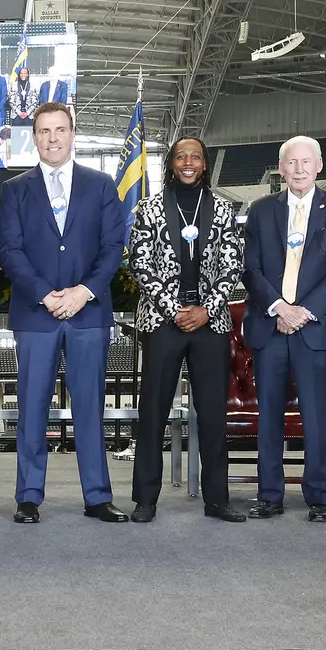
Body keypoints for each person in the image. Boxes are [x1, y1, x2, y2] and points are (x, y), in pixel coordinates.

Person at [0, 103, 129, 524]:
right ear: (34, 138)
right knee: (32, 406)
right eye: (44, 131)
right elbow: (9, 251)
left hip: (88, 314)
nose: (52, 139)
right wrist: (45, 295)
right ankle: (28, 496)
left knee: (89, 407)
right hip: (36, 315)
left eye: (59, 130)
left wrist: (83, 292)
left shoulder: (101, 184)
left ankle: (97, 496)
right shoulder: (15, 189)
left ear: (73, 134)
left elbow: (113, 247)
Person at [128, 136, 247, 524]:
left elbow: (233, 265)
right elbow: (140, 264)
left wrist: (206, 310)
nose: (189, 162)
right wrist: (174, 309)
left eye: (195, 156)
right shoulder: (149, 208)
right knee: (153, 412)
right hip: (163, 320)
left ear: (205, 163)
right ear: (172, 164)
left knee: (212, 414)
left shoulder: (224, 209)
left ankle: (217, 499)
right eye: (181, 157)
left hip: (210, 322)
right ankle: (145, 499)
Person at [242, 135, 326, 523]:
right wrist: (279, 307)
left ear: (319, 166)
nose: (299, 169)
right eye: (291, 162)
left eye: (306, 162)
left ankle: (321, 497)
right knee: (269, 417)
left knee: (318, 416)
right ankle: (269, 495)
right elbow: (250, 269)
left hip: (315, 328)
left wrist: (303, 312)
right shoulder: (260, 211)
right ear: (281, 168)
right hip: (270, 324)